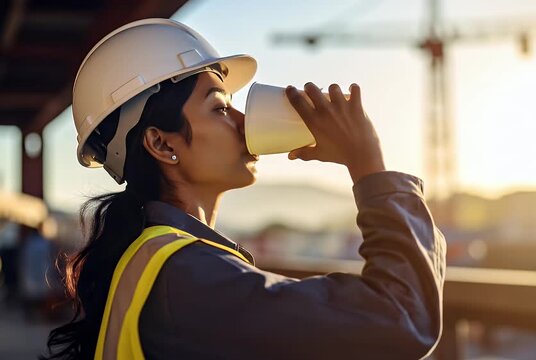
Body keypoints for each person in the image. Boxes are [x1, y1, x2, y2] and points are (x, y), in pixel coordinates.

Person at [44, 18, 446, 360]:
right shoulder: (188, 278)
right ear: (162, 143)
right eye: (220, 107)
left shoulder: (156, 260)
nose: (242, 120)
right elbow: (401, 319)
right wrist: (369, 166)